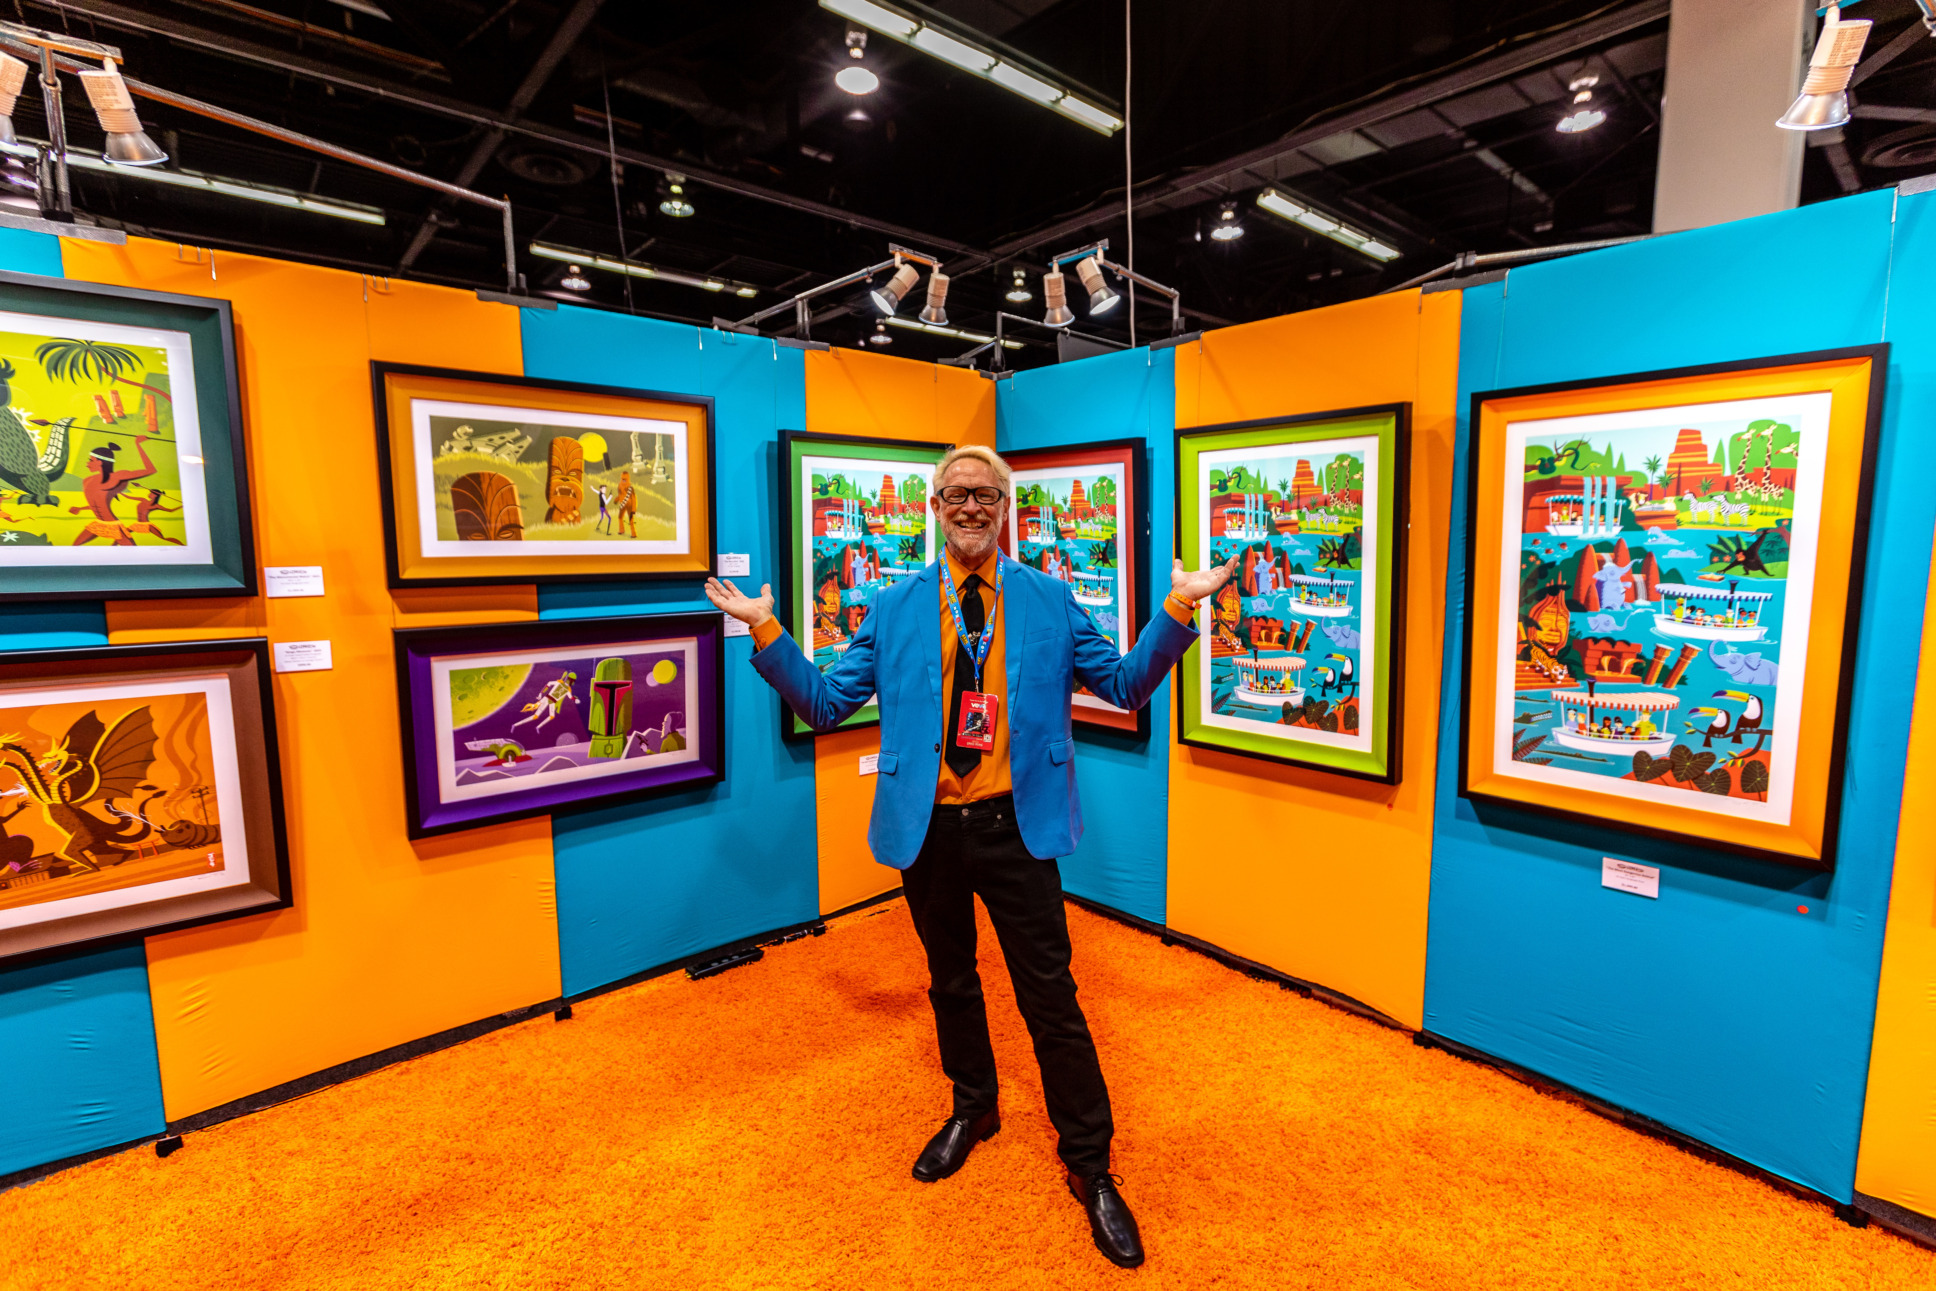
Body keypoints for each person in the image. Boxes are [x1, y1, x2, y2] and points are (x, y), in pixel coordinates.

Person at [705, 444, 1235, 1269]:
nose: (971, 507)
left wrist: (1175, 607)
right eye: (956, 493)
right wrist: (764, 627)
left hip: (1018, 831)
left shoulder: (1050, 601)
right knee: (950, 981)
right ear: (934, 505)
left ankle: (1091, 1164)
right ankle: (974, 1105)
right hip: (930, 833)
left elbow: (1127, 685)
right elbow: (826, 702)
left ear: (1005, 505)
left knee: (1050, 997)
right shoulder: (894, 605)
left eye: (986, 494)